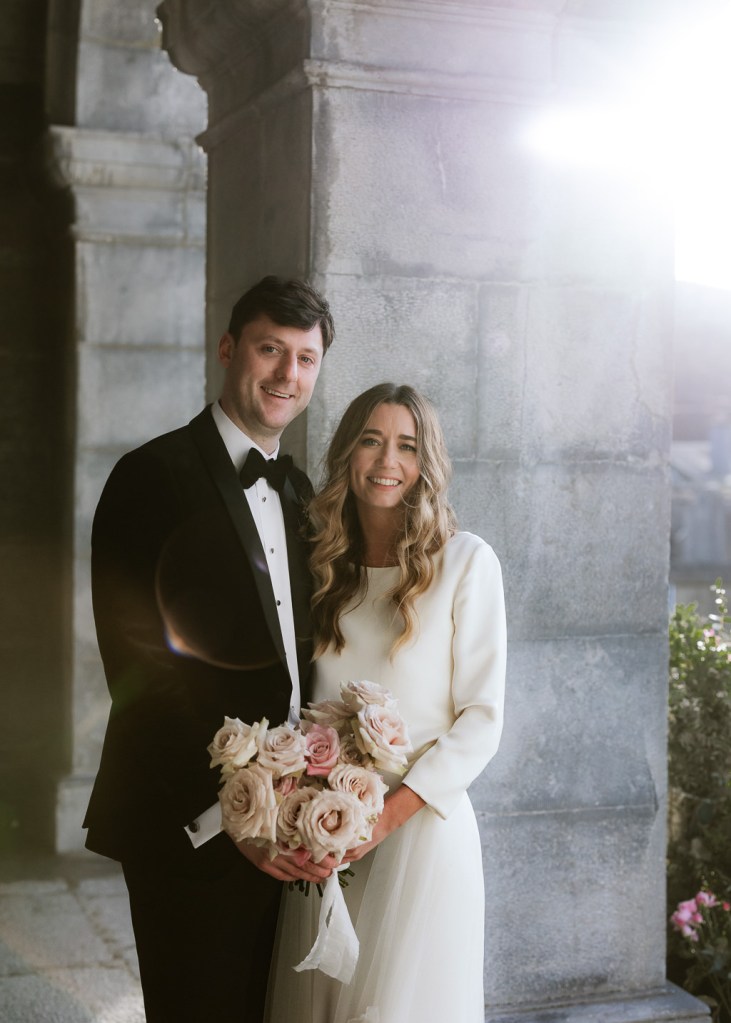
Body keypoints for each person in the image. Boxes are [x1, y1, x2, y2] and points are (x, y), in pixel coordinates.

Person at [83, 276, 339, 1023]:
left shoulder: (301, 495)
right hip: (187, 825)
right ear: (228, 349)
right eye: (269, 350)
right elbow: (137, 667)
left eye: (305, 358)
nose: (287, 374)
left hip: (289, 830)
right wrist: (233, 812)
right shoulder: (148, 477)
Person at [266, 382, 507, 1023]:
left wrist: (384, 820)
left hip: (421, 836)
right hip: (330, 834)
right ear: (348, 452)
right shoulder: (320, 568)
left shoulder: (465, 563)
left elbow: (482, 721)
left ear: (425, 462)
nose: (385, 461)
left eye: (405, 445)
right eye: (371, 440)